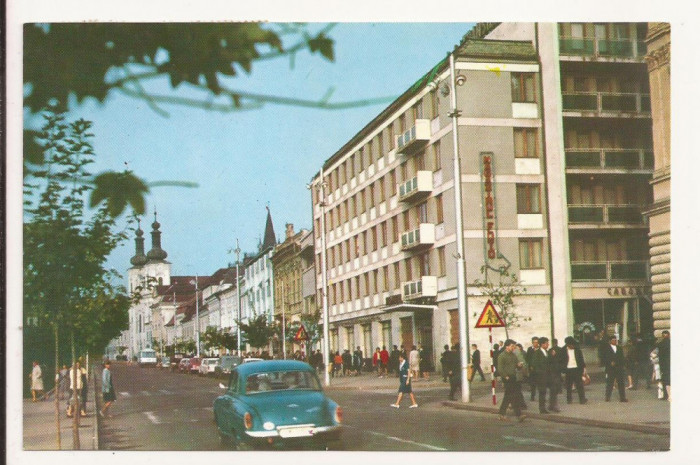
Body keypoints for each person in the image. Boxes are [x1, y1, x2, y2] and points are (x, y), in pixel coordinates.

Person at [497, 340, 526, 422]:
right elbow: (500, 368)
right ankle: (518, 414)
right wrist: (505, 376)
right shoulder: (502, 356)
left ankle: (501, 414)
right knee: (513, 396)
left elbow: (517, 366)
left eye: (514, 346)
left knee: (509, 396)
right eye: (512, 346)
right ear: (507, 346)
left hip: (513, 377)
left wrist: (519, 365)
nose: (513, 347)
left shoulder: (513, 355)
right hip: (507, 378)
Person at [531, 337, 557, 413]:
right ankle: (542, 409)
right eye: (546, 343)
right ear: (542, 344)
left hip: (549, 376)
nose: (548, 344)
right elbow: (534, 365)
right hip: (541, 376)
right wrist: (540, 373)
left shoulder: (548, 352)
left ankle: (552, 406)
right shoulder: (537, 353)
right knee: (542, 392)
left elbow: (551, 363)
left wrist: (552, 356)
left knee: (553, 389)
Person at [601, 335, 628, 402]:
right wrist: (610, 362)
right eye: (613, 340)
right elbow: (604, 358)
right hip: (611, 368)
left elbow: (622, 358)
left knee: (621, 383)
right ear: (610, 341)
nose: (615, 341)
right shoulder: (607, 349)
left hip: (619, 368)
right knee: (610, 383)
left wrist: (623, 365)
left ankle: (622, 397)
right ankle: (607, 397)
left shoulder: (619, 348)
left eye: (616, 340)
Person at [563, 336, 587, 404]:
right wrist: (563, 369)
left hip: (577, 369)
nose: (572, 346)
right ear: (567, 344)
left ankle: (582, 399)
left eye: (573, 344)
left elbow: (581, 360)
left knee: (580, 385)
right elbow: (561, 360)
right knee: (569, 386)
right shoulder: (563, 351)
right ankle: (569, 400)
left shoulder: (577, 350)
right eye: (571, 345)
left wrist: (584, 369)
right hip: (568, 370)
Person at [525, 337, 540, 401]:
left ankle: (541, 397)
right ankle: (532, 396)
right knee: (532, 384)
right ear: (532, 343)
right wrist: (530, 366)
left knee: (540, 384)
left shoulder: (540, 349)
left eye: (536, 342)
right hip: (532, 369)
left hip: (539, 369)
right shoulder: (530, 349)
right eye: (534, 342)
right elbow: (527, 358)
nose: (535, 344)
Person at [657, 330, 670, 401]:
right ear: (669, 335)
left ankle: (666, 395)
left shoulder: (660, 344)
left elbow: (659, 355)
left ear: (662, 336)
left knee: (665, 380)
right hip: (671, 364)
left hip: (664, 365)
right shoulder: (672, 343)